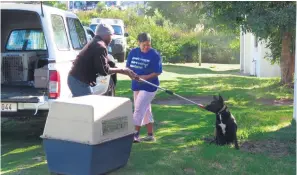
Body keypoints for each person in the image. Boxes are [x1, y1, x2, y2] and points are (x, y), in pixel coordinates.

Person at [68, 23, 137, 97]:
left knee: (84, 106)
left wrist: (126, 72)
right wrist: (123, 70)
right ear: (106, 34)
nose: (111, 39)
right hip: (79, 81)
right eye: (111, 35)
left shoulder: (96, 42)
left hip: (76, 79)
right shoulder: (100, 46)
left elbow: (108, 64)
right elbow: (104, 70)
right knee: (87, 106)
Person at [126, 32, 163, 142]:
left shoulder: (155, 55)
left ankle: (134, 134)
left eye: (148, 44)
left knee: (138, 108)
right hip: (136, 85)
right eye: (144, 45)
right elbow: (128, 67)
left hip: (150, 87)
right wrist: (131, 75)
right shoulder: (133, 52)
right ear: (139, 43)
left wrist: (145, 77)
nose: (147, 47)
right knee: (146, 109)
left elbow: (158, 71)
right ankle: (150, 134)